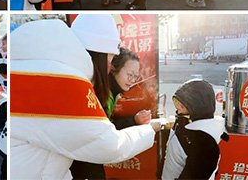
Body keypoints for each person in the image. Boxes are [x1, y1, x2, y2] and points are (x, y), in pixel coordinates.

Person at [11, 17, 160, 179]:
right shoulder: (65, 81)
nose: (109, 66)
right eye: (110, 58)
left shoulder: (35, 65)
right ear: (99, 54)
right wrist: (149, 129)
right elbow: (111, 146)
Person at [69, 24, 152, 179]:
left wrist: (134, 119)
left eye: (136, 76)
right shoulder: (100, 93)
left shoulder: (111, 92)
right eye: (129, 75)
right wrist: (140, 125)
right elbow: (103, 134)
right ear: (113, 68)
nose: (132, 81)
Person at [162, 79, 228, 180]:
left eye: (182, 105)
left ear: (196, 106)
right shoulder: (185, 122)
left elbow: (196, 175)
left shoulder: (205, 141)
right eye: (176, 102)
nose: (177, 108)